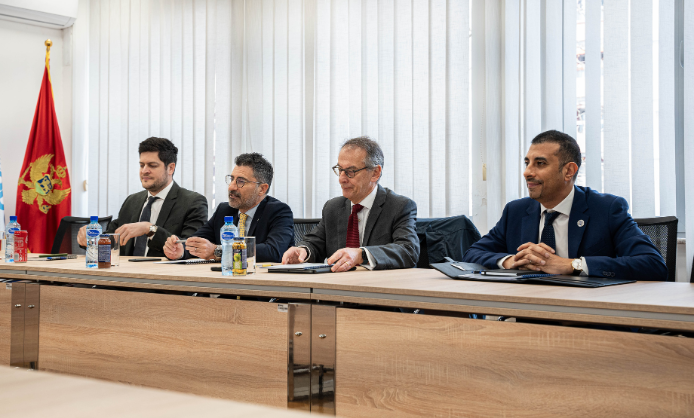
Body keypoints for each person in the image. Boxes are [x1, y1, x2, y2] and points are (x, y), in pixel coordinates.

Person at [463, 130, 667, 281]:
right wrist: (511, 261)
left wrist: (573, 265)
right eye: (527, 163)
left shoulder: (606, 209)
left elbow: (653, 264)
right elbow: (472, 254)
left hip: (588, 314)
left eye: (540, 163)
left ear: (568, 171)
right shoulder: (516, 211)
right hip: (530, 310)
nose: (527, 172)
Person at [281, 136, 419, 272]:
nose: (341, 179)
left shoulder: (399, 206)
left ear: (375, 173)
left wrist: (361, 254)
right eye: (340, 170)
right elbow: (315, 243)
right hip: (337, 285)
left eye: (350, 171)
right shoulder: (333, 207)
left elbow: (408, 250)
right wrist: (303, 251)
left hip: (380, 284)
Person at [77, 137, 208, 257]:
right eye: (142, 165)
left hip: (163, 273)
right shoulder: (132, 201)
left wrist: (150, 229)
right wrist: (90, 239)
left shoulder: (193, 202)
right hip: (126, 272)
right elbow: (111, 240)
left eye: (152, 165)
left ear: (170, 168)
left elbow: (191, 249)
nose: (144, 171)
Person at [163, 153, 294, 262]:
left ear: (262, 189)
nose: (231, 186)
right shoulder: (224, 210)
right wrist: (180, 250)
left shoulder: (278, 211)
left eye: (241, 181)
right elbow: (198, 242)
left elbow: (273, 251)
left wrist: (218, 251)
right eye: (232, 179)